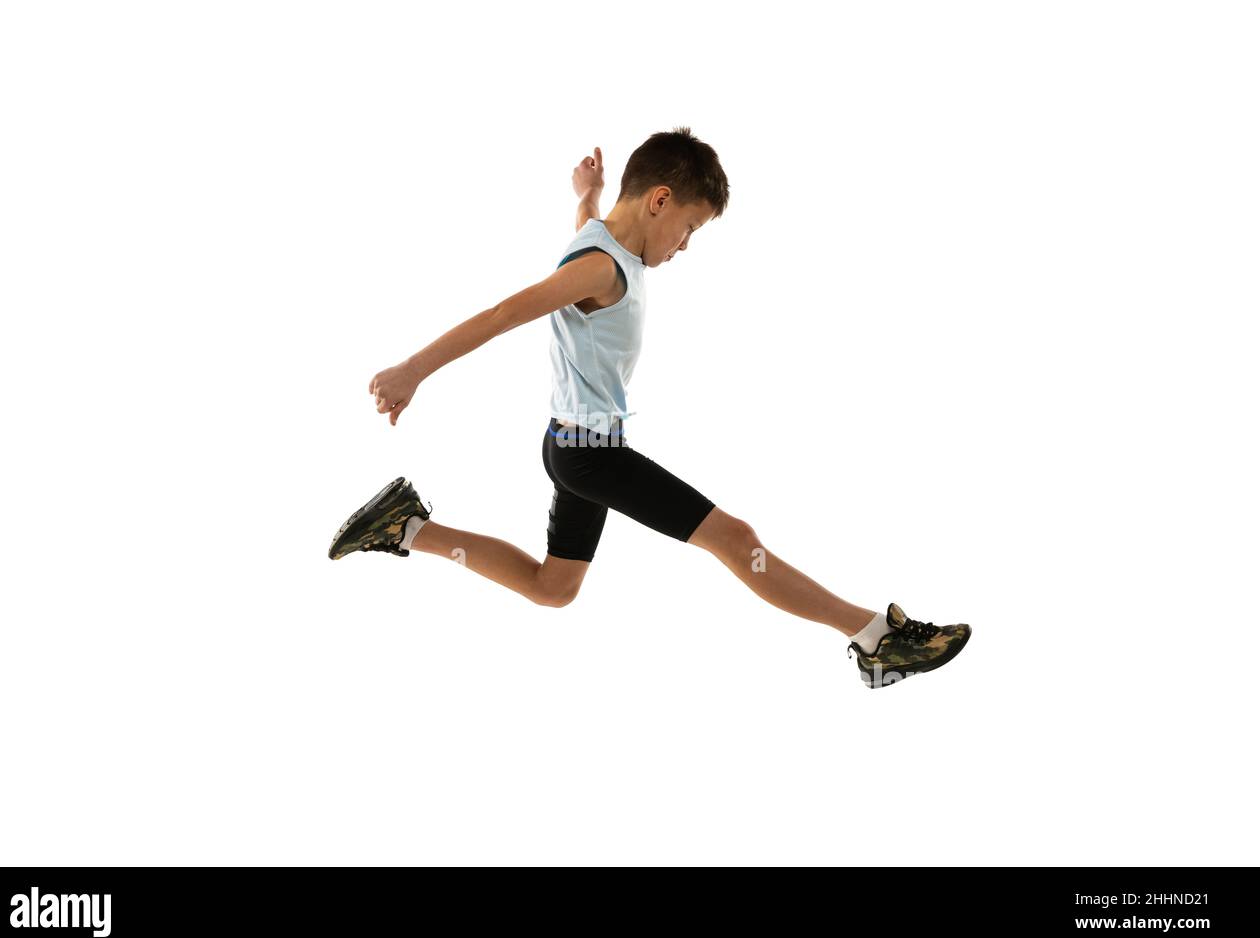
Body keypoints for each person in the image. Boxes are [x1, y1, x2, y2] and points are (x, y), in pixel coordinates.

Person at [328, 127, 971, 689]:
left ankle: (406, 526)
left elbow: (588, 217)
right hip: (591, 455)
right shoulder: (601, 269)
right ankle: (873, 640)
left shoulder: (600, 237)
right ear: (660, 200)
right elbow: (505, 314)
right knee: (735, 538)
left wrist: (587, 189)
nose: (686, 245)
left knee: (554, 588)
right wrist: (414, 369)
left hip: (572, 447)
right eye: (689, 227)